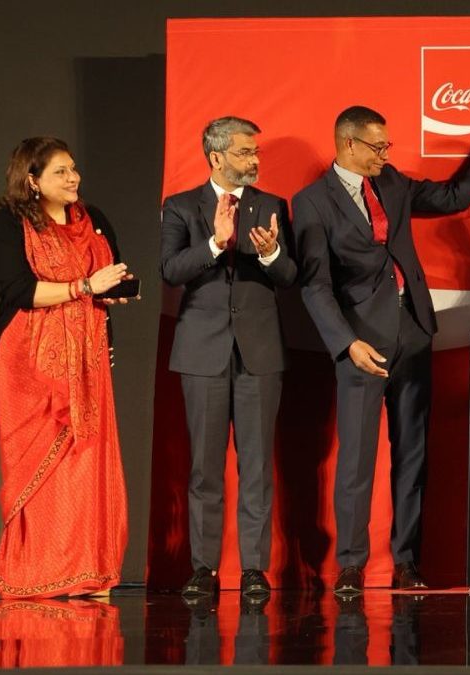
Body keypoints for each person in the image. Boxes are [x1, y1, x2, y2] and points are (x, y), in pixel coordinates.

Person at [292, 105, 470, 595]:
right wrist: (347, 344)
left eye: (387, 146)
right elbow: (314, 285)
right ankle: (350, 564)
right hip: (361, 345)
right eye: (377, 146)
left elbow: (453, 197)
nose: (385, 154)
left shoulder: (392, 183)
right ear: (348, 144)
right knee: (356, 461)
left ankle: (407, 561)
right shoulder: (312, 202)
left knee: (413, 455)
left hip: (412, 334)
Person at [0, 136, 134, 598]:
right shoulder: (10, 225)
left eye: (74, 169)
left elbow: (108, 281)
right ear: (32, 180)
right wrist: (85, 286)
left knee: (88, 465)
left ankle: (89, 572)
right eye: (60, 172)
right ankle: (38, 573)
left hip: (87, 359)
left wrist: (115, 290)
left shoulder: (94, 221)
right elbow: (17, 290)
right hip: (28, 363)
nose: (74, 179)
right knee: (43, 470)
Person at [160, 116, 297, 600]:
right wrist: (216, 243)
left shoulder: (272, 206)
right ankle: (204, 569)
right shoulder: (180, 208)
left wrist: (270, 253)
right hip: (202, 350)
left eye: (254, 151)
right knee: (205, 468)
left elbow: (289, 276)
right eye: (244, 152)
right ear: (216, 157)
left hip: (259, 349)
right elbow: (171, 270)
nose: (254, 160)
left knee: (257, 466)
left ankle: (255, 569)